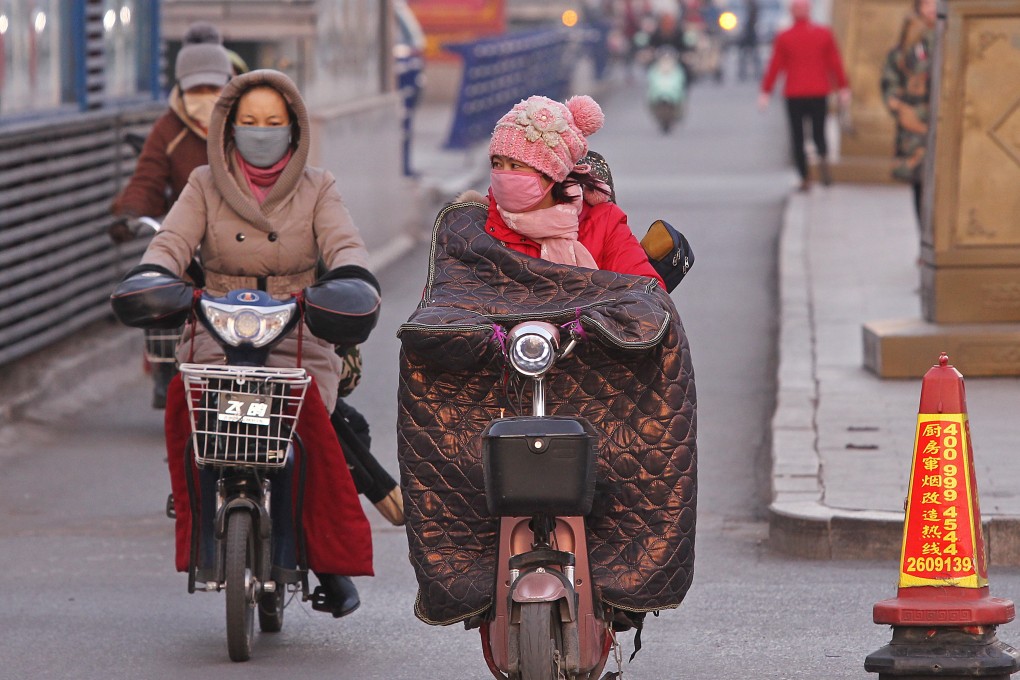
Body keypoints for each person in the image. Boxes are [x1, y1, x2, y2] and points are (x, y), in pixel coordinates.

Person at [137, 69, 382, 618]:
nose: (261, 132)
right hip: (216, 323)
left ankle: (327, 559)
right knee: (192, 412)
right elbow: (171, 241)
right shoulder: (203, 183)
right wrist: (154, 273)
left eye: (273, 121)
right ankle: (196, 509)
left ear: (294, 127)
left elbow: (345, 244)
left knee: (311, 426)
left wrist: (352, 278)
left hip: (299, 327)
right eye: (249, 121)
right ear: (229, 126)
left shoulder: (319, 186)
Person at [457, 94, 667, 289]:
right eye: (497, 164)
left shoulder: (603, 222)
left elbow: (647, 291)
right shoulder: (476, 223)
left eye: (515, 166)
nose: (504, 175)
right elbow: (448, 296)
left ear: (552, 173)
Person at [758, 0, 850, 192]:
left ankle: (805, 176)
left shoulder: (785, 36)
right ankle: (822, 159)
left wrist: (766, 92)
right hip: (818, 91)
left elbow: (775, 65)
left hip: (795, 93)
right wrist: (843, 87)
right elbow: (834, 62)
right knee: (819, 131)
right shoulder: (823, 34)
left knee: (798, 136)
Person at [880, 0, 936, 228]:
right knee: (920, 182)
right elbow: (890, 81)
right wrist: (900, 108)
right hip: (914, 126)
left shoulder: (952, 35)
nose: (932, 8)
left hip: (946, 124)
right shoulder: (908, 44)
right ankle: (925, 236)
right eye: (927, 3)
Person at [737, 0, 761, 82]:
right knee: (744, 55)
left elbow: (753, 20)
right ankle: (742, 73)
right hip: (746, 34)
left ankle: (757, 73)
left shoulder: (753, 6)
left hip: (750, 34)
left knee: (754, 55)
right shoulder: (746, 6)